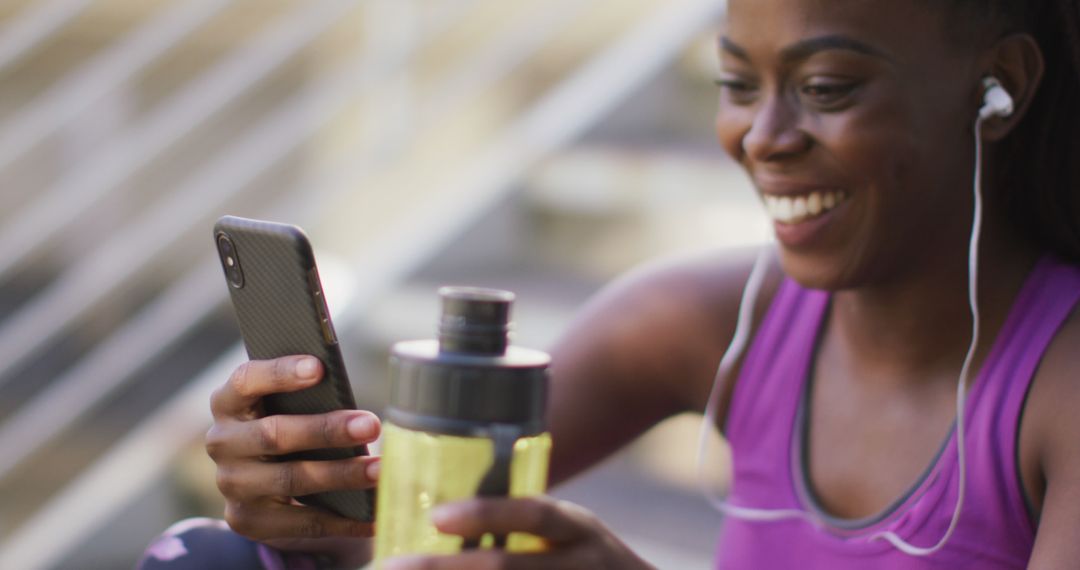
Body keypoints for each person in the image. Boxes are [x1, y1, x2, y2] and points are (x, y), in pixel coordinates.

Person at [138, 0, 1080, 568]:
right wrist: (304, 495)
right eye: (737, 82)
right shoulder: (701, 323)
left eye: (827, 88)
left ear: (997, 84)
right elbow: (406, 538)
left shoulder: (1058, 389)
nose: (763, 137)